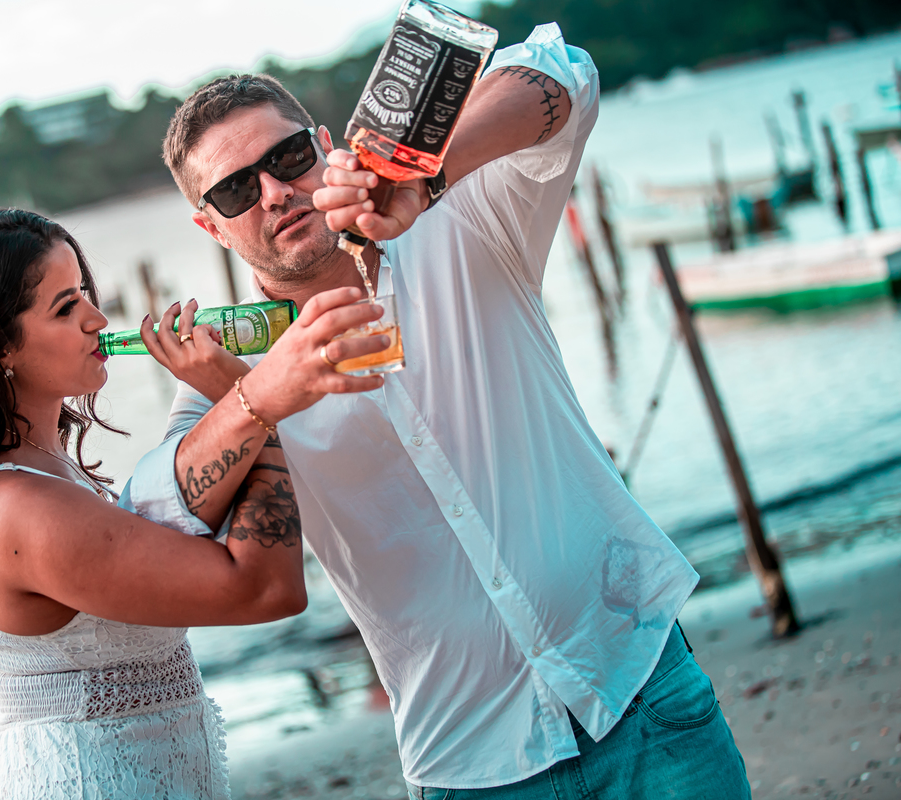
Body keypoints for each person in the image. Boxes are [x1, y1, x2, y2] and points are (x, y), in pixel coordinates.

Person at [129, 23, 753, 800]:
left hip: (636, 682)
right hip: (473, 763)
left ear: (325, 145)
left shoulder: (463, 227)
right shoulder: (229, 376)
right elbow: (156, 509)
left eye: (288, 157)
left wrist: (424, 179)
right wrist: (260, 399)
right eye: (233, 189)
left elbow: (561, 72)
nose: (274, 192)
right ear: (209, 225)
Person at [0, 208, 389, 799]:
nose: (98, 320)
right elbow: (265, 589)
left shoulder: (50, 476)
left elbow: (174, 507)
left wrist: (221, 394)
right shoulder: (13, 509)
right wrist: (251, 398)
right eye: (65, 308)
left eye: (83, 294)